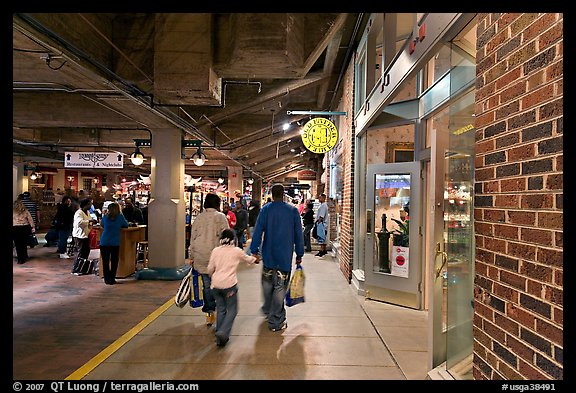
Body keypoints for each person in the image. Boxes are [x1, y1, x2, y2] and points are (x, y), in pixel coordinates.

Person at [250, 183, 304, 332]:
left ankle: (268, 309)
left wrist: (254, 250)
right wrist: (299, 253)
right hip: (284, 257)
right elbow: (298, 235)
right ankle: (276, 320)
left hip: (268, 255)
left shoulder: (266, 210)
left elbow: (258, 230)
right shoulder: (293, 211)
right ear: (283, 195)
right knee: (280, 287)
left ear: (272, 195)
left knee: (267, 284)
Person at [207, 229, 258, 347]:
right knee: (232, 309)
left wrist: (214, 277)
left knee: (221, 309)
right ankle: (223, 332)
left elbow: (210, 269)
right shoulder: (236, 251)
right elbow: (249, 259)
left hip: (216, 285)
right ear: (233, 239)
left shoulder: (215, 251)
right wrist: (255, 259)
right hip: (229, 285)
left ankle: (219, 335)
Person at [189, 193, 230, 326]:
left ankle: (209, 312)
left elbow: (193, 237)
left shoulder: (199, 218)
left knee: (206, 284)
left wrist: (191, 256)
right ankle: (220, 309)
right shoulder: (220, 217)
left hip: (200, 254)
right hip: (215, 254)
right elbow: (226, 236)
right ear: (217, 204)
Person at [99, 202, 129, 285]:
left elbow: (102, 225)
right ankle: (112, 279)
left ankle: (106, 279)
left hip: (104, 242)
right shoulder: (120, 217)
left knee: (105, 261)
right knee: (114, 261)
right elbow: (126, 225)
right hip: (115, 242)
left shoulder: (105, 217)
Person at [13, 199, 35, 264]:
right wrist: (32, 227)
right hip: (24, 227)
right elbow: (30, 219)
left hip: (15, 228)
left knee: (17, 244)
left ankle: (20, 258)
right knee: (23, 243)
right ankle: (24, 256)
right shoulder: (25, 211)